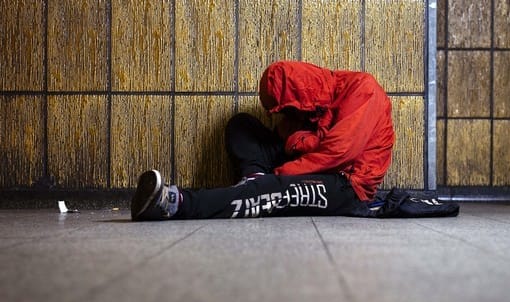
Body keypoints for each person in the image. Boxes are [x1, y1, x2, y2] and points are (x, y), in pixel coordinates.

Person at [130, 61, 458, 220]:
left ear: (300, 98)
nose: (283, 115)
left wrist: (283, 171)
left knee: (272, 190)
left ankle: (173, 204)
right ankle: (254, 181)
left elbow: (337, 153)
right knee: (241, 125)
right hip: (316, 162)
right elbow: (293, 139)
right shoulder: (311, 106)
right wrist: (297, 142)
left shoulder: (363, 90)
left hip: (345, 183)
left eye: (286, 108)